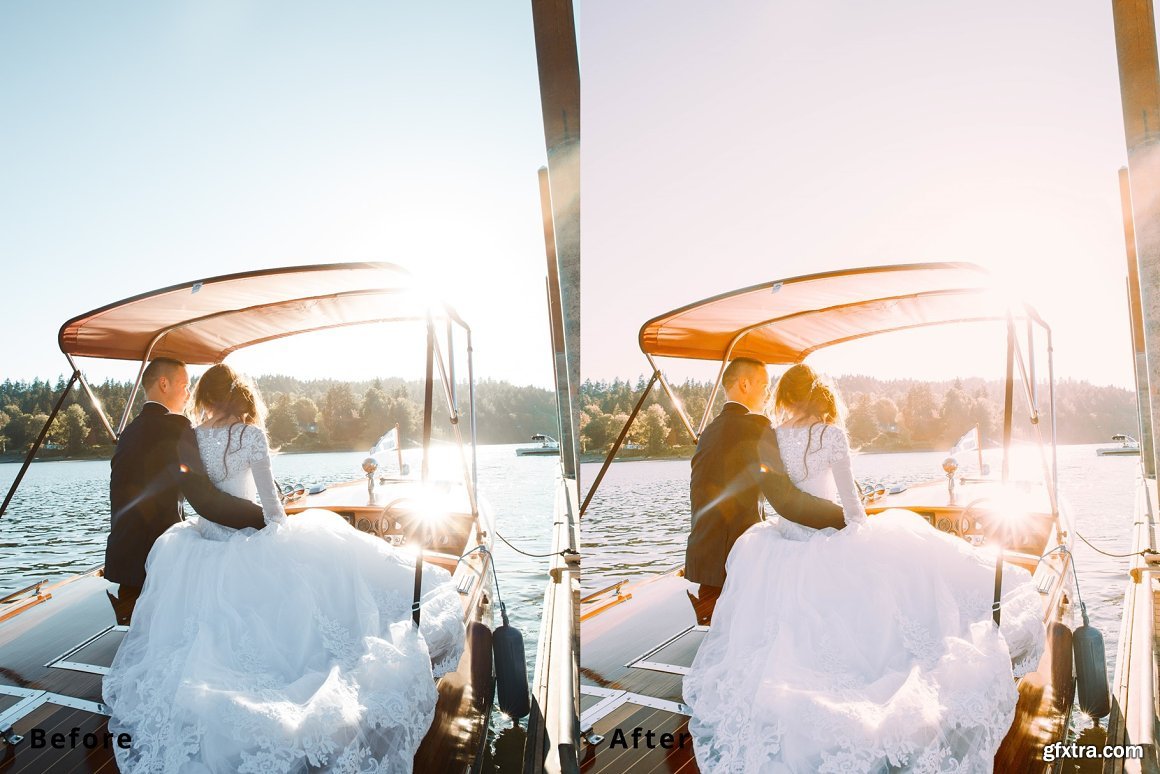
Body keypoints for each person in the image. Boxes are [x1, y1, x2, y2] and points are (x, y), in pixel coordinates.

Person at [683, 364, 1045, 773]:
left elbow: (779, 498)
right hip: (828, 529)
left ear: (786, 397)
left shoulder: (771, 435)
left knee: (789, 630)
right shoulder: (830, 435)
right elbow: (851, 503)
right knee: (889, 581)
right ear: (819, 396)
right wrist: (855, 525)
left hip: (783, 541)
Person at [104, 364, 465, 773]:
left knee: (208, 631)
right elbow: (271, 507)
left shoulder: (190, 435)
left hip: (201, 542)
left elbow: (199, 497)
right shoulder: (249, 435)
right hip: (246, 531)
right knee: (312, 580)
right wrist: (273, 525)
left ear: (205, 397)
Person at [106, 357, 267, 624]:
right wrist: (264, 519)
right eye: (185, 385)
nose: (189, 394)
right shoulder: (175, 427)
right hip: (157, 561)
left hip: (123, 560)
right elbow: (205, 501)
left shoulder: (129, 432)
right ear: (164, 384)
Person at [686, 357, 846, 606]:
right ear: (745, 385)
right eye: (764, 386)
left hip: (701, 562)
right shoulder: (755, 427)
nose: (768, 395)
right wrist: (844, 519)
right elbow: (785, 501)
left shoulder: (709, 431)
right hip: (735, 562)